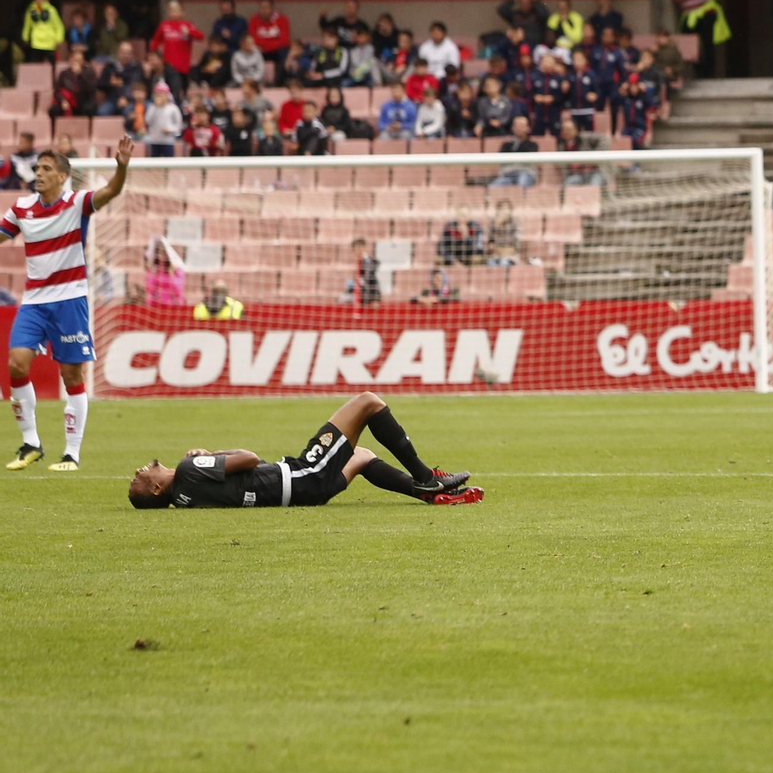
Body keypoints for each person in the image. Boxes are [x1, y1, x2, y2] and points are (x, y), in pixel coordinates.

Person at [3, 138, 133, 472]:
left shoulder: (78, 203)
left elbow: (112, 192)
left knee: (71, 373)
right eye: (37, 168)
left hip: (70, 300)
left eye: (46, 168)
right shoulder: (21, 208)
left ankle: (71, 453)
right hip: (33, 301)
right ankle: (31, 442)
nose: (39, 173)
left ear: (63, 176)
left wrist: (121, 166)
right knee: (17, 364)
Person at [126, 392, 480, 509]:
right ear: (158, 488)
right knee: (368, 402)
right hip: (301, 475)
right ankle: (425, 479)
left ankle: (428, 496)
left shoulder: (187, 496)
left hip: (305, 493)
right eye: (142, 477)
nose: (142, 469)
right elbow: (250, 458)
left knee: (363, 457)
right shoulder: (187, 472)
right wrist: (207, 455)